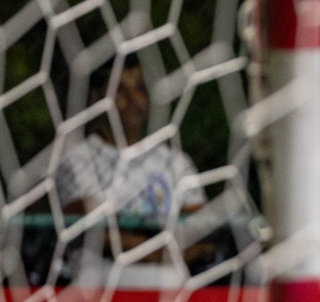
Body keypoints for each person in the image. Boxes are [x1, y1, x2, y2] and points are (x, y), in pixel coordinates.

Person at [52, 56, 210, 286]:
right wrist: (161, 254)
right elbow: (94, 235)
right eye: (119, 91)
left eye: (140, 90)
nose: (134, 100)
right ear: (96, 98)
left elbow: (201, 226)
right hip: (99, 285)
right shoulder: (76, 159)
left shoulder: (175, 161)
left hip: (171, 288)